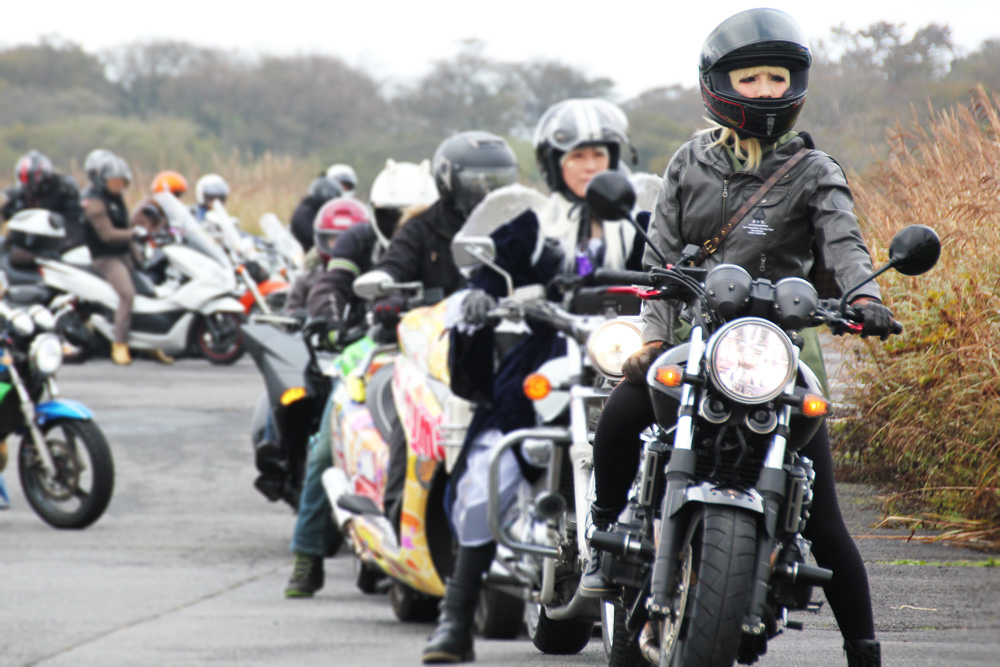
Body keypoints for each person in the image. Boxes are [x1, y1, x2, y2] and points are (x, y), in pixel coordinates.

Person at [579, 9, 891, 667]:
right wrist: (650, 343)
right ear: (720, 84)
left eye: (777, 77)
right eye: (750, 78)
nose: (766, 90)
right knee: (624, 407)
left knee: (826, 516)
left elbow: (844, 242)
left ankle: (865, 649)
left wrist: (866, 297)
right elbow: (660, 261)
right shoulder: (688, 163)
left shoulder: (813, 169)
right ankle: (604, 538)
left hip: (778, 351)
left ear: (795, 83)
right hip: (697, 339)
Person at [422, 99, 641, 664]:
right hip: (551, 354)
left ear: (616, 157)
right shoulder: (533, 226)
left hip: (634, 355)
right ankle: (455, 617)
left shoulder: (643, 222)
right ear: (553, 164)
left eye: (599, 153)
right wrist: (475, 296)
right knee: (488, 456)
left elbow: (681, 271)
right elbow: (489, 279)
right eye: (576, 157)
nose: (589, 165)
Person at [281, 159, 438, 598]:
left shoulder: (448, 237)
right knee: (326, 446)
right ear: (376, 211)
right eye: (393, 213)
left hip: (436, 350)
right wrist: (329, 319)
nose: (403, 222)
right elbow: (330, 283)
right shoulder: (360, 238)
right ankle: (307, 557)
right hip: (371, 347)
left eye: (414, 212)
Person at [82, 150, 173, 366]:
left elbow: (126, 229)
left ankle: (150, 345)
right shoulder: (95, 204)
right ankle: (120, 344)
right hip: (106, 258)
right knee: (127, 294)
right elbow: (109, 235)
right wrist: (136, 233)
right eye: (114, 181)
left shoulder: (117, 199)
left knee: (149, 292)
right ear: (102, 180)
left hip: (122, 254)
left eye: (121, 182)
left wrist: (140, 261)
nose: (118, 185)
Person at [2, 150, 85, 253]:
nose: (29, 193)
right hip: (28, 246)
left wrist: (61, 248)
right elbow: (10, 216)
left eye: (31, 188)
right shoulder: (20, 194)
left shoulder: (64, 189)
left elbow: (75, 223)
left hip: (58, 244)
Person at [289, 175, 343, 253]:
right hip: (304, 256)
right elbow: (316, 238)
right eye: (331, 199)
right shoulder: (304, 213)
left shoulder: (313, 209)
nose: (334, 203)